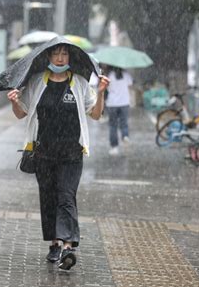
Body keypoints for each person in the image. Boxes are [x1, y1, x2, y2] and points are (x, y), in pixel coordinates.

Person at [7, 43, 110, 270]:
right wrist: (14, 101)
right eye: (56, 53)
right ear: (49, 57)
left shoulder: (80, 84)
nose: (61, 58)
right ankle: (54, 243)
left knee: (66, 195)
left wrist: (101, 92)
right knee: (49, 198)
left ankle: (67, 246)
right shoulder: (37, 82)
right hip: (43, 152)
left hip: (72, 152)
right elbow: (21, 113)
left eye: (65, 54)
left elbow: (95, 114)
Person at [103, 65, 133, 156]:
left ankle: (114, 147)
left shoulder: (109, 75)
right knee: (124, 123)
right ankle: (125, 136)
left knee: (113, 126)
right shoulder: (126, 75)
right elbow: (130, 84)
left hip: (112, 103)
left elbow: (105, 88)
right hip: (124, 102)